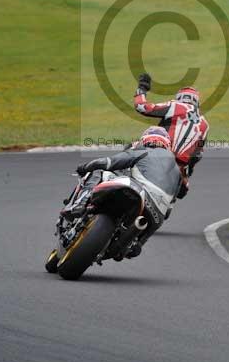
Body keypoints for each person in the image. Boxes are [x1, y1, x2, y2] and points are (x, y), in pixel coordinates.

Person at [65, 126, 181, 258]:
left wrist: (83, 168)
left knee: (99, 172)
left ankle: (79, 204)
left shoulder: (144, 151)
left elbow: (107, 162)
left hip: (140, 193)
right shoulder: (177, 172)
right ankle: (136, 244)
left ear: (145, 140)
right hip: (157, 215)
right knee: (136, 245)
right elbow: (169, 210)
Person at [134, 73, 209, 198]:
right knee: (178, 195)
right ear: (197, 101)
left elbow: (142, 107)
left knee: (129, 150)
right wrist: (186, 174)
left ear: (180, 98)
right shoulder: (205, 124)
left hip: (158, 154)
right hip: (179, 171)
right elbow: (198, 155)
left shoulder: (175, 106)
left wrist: (141, 89)